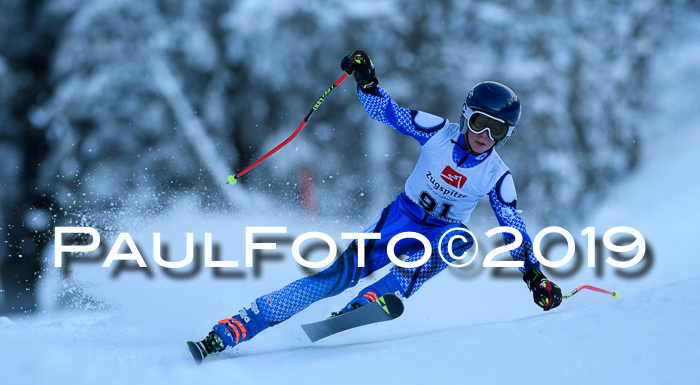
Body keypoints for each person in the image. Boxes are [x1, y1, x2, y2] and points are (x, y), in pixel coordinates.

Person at [190, 50, 562, 359]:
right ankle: (236, 327)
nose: (483, 136)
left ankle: (374, 297)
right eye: (480, 123)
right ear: (467, 115)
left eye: (495, 130)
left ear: (506, 135)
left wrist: (534, 277)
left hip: (440, 234)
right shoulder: (438, 131)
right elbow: (386, 112)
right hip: (399, 220)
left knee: (460, 240)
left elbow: (513, 229)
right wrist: (367, 81)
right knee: (331, 279)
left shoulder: (497, 175)